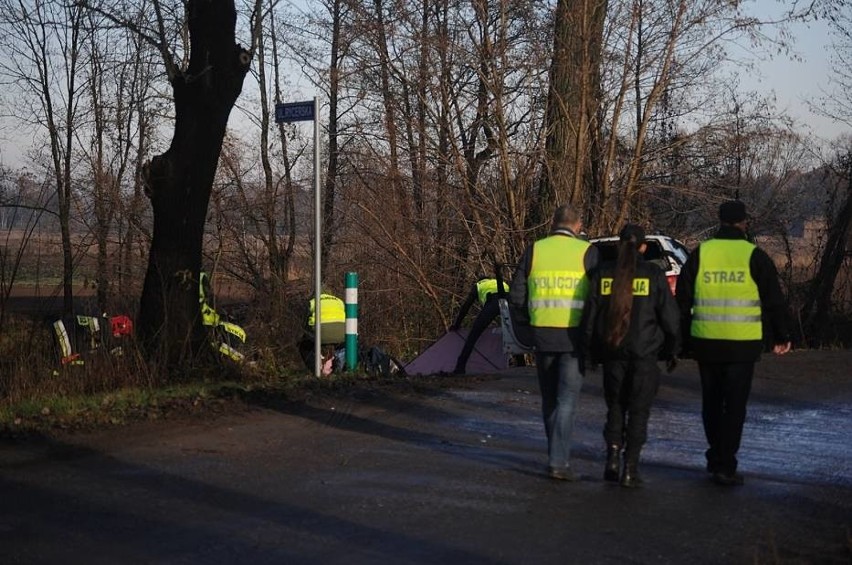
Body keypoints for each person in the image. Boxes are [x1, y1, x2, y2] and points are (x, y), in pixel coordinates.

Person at [676, 200, 792, 487]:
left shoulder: (702, 253)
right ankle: (726, 463)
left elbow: (682, 300)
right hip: (742, 344)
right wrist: (782, 335)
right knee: (735, 406)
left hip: (706, 341)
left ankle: (716, 456)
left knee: (712, 403)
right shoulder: (755, 256)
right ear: (744, 222)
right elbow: (774, 300)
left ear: (719, 221)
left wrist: (681, 339)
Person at [582, 224, 680, 488]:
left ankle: (612, 458)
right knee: (638, 411)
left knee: (615, 407)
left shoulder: (601, 274)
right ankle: (630, 468)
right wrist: (672, 349)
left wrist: (589, 352)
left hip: (612, 354)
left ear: (618, 245)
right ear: (644, 247)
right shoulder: (653, 274)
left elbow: (589, 318)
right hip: (644, 355)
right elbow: (670, 318)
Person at [509, 204, 600, 481]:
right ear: (578, 225)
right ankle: (558, 462)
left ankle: (555, 453)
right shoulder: (587, 252)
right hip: (574, 337)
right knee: (567, 401)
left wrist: (524, 329)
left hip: (542, 334)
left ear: (553, 223)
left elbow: (516, 295)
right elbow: (596, 299)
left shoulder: (535, 250)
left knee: (550, 400)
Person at [451, 277, 508, 374]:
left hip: (492, 302)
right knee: (511, 331)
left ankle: (460, 367)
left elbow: (466, 306)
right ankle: (521, 363)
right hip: (509, 300)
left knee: (474, 334)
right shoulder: (501, 282)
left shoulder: (478, 285)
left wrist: (456, 325)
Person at [298, 291, 346, 371]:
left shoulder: (312, 302)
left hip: (321, 332)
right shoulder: (339, 301)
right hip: (340, 334)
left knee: (304, 346)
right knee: (342, 346)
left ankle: (315, 370)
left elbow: (305, 323)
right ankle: (340, 367)